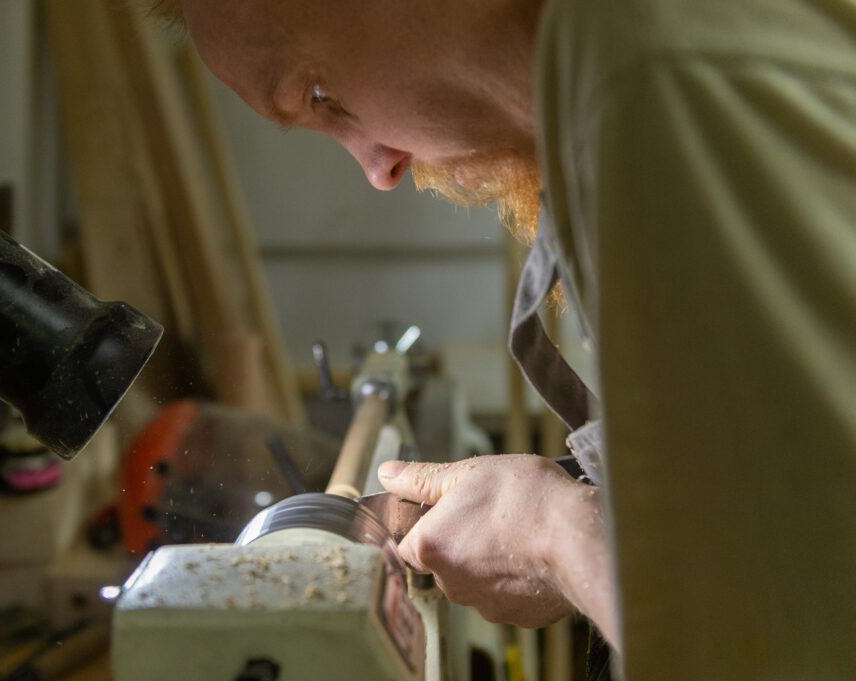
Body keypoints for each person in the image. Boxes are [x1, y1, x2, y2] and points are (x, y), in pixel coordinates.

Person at [152, 0, 856, 678]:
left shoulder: (655, 77)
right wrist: (577, 507)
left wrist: (561, 536)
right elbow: (759, 489)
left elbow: (794, 641)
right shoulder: (611, 77)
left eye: (319, 91)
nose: (378, 169)